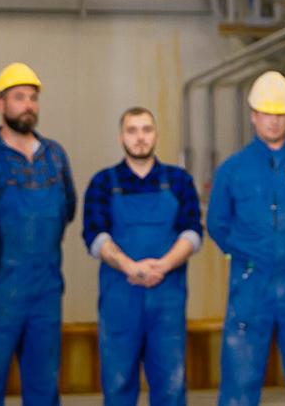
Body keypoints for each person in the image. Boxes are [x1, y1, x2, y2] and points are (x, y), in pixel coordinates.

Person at [208, 70, 285, 406]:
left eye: (280, 114)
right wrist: (249, 255)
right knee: (239, 385)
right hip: (251, 285)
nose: (273, 121)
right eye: (266, 113)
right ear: (253, 115)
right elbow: (217, 223)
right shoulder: (232, 170)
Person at [0, 62, 76, 406]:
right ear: (0, 104)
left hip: (45, 291)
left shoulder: (55, 155)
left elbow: (68, 210)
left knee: (44, 387)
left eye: (33, 98)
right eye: (19, 97)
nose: (28, 105)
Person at [82, 106, 204, 406]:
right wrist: (130, 267)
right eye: (132, 130)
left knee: (171, 386)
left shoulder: (179, 181)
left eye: (147, 130)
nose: (140, 137)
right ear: (120, 137)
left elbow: (193, 232)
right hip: (120, 302)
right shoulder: (103, 183)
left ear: (156, 135)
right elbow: (94, 235)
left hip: (167, 302)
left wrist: (163, 265)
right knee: (118, 385)